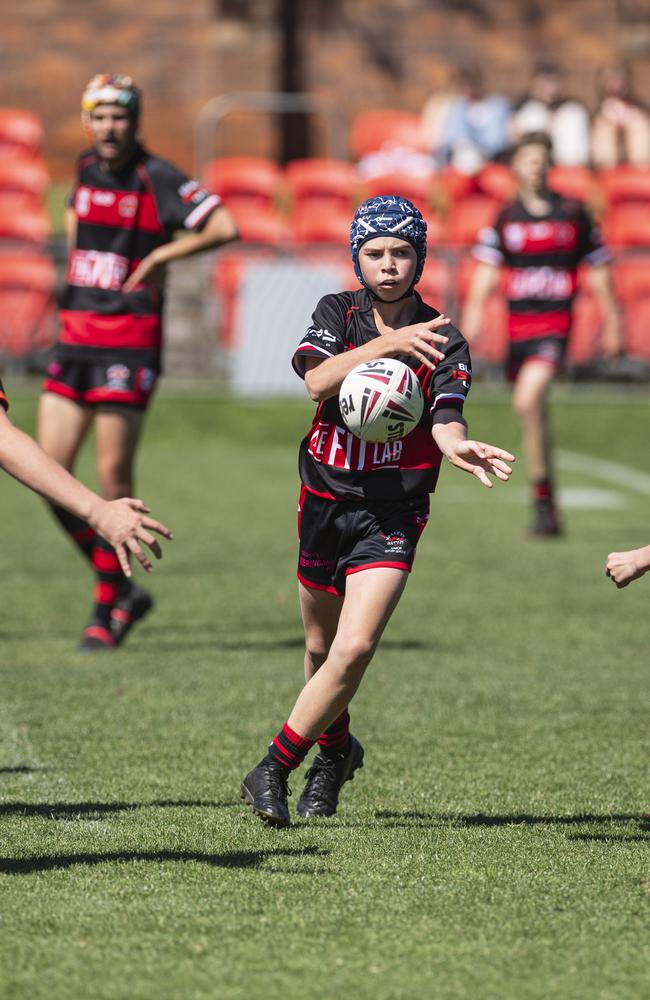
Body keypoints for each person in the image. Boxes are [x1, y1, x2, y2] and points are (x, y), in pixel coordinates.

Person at [240, 196, 515, 827]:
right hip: (325, 495)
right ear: (357, 258)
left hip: (394, 507)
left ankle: (274, 767)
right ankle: (336, 754)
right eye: (375, 253)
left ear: (418, 258)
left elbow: (446, 417)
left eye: (401, 252)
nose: (388, 265)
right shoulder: (338, 311)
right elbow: (315, 381)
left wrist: (456, 445)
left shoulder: (446, 339)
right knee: (318, 646)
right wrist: (385, 348)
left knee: (355, 644)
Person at [37, 74, 237, 651]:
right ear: (87, 122)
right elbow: (78, 240)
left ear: (136, 122)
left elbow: (225, 226)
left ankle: (108, 606)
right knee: (49, 476)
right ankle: (118, 586)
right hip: (75, 337)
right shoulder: (81, 170)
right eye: (98, 117)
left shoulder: (158, 175)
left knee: (113, 481)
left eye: (119, 117)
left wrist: (161, 256)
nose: (108, 127)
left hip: (128, 341)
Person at [461, 132, 621, 537]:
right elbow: (487, 271)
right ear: (515, 167)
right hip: (519, 332)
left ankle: (542, 498)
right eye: (528, 158)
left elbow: (599, 271)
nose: (536, 165)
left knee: (528, 398)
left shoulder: (573, 212)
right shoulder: (507, 217)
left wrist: (613, 319)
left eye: (542, 158)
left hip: (554, 327)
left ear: (551, 165)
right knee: (533, 413)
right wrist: (474, 313)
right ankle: (545, 500)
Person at [0, 377, 171, 575]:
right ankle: (120, 590)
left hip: (126, 355)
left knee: (114, 475)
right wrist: (99, 511)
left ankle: (116, 592)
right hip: (72, 353)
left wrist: (99, 511)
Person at [510, 64, 591, 167]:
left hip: (570, 169)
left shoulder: (574, 112)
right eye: (543, 84)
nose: (549, 89)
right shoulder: (527, 111)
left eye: (552, 83)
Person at [438, 67, 511, 174]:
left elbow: (498, 140)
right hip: (462, 156)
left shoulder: (498, 105)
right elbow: (453, 137)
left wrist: (480, 150)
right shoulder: (458, 106)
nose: (466, 89)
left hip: (491, 157)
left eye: (469, 85)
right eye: (461, 86)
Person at [591, 63, 650, 170]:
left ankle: (641, 168)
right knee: (604, 125)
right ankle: (605, 168)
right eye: (611, 80)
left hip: (639, 162)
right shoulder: (598, 111)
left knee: (638, 122)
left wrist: (630, 116)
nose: (615, 84)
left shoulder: (640, 106)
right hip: (608, 163)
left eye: (619, 80)